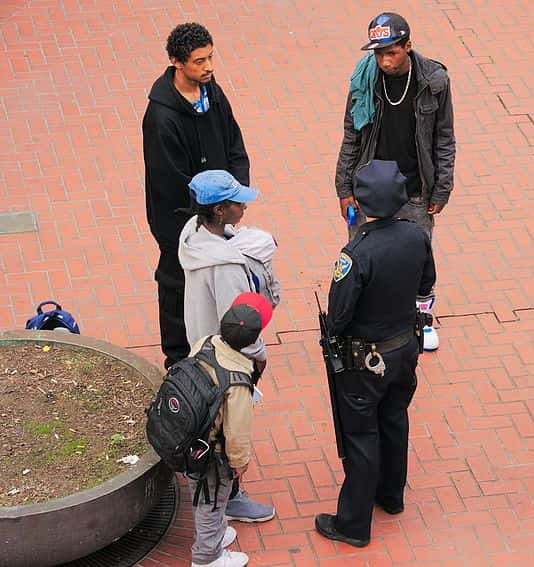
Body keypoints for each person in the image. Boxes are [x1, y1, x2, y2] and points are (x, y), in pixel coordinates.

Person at [315, 159, 436, 547]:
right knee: (395, 418)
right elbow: (426, 284)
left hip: (366, 361)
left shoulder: (357, 253)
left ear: (364, 204)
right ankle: (391, 494)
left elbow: (340, 314)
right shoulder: (416, 236)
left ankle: (352, 524)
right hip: (404, 348)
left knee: (362, 434)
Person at [334, 12, 454, 351]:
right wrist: (344, 188)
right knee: (363, 255)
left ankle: (423, 320)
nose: (384, 61)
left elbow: (444, 137)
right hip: (370, 188)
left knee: (419, 255)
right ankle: (362, 322)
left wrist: (442, 187)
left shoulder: (434, 81)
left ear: (408, 47)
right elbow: (351, 135)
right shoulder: (364, 80)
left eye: (391, 53)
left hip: (415, 188)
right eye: (378, 53)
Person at [143, 22, 250, 369]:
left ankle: (217, 350)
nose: (209, 67)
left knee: (217, 281)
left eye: (211, 57)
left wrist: (235, 195)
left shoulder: (212, 93)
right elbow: (171, 182)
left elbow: (234, 143)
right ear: (177, 62)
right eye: (199, 61)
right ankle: (177, 361)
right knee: (177, 287)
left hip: (218, 213)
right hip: (181, 222)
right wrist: (211, 214)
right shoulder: (161, 118)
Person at [179, 169, 278, 523]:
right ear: (220, 210)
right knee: (226, 431)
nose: (244, 208)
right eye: (237, 203)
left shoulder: (192, 233)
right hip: (225, 362)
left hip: (199, 345)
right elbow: (239, 327)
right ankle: (229, 500)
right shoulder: (227, 267)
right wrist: (258, 361)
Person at [187, 293, 273, 567]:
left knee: (202, 494)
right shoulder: (237, 382)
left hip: (191, 436)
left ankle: (214, 536)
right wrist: (239, 463)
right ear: (252, 341)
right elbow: (236, 432)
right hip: (213, 449)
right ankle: (206, 557)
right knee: (211, 500)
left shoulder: (205, 343)